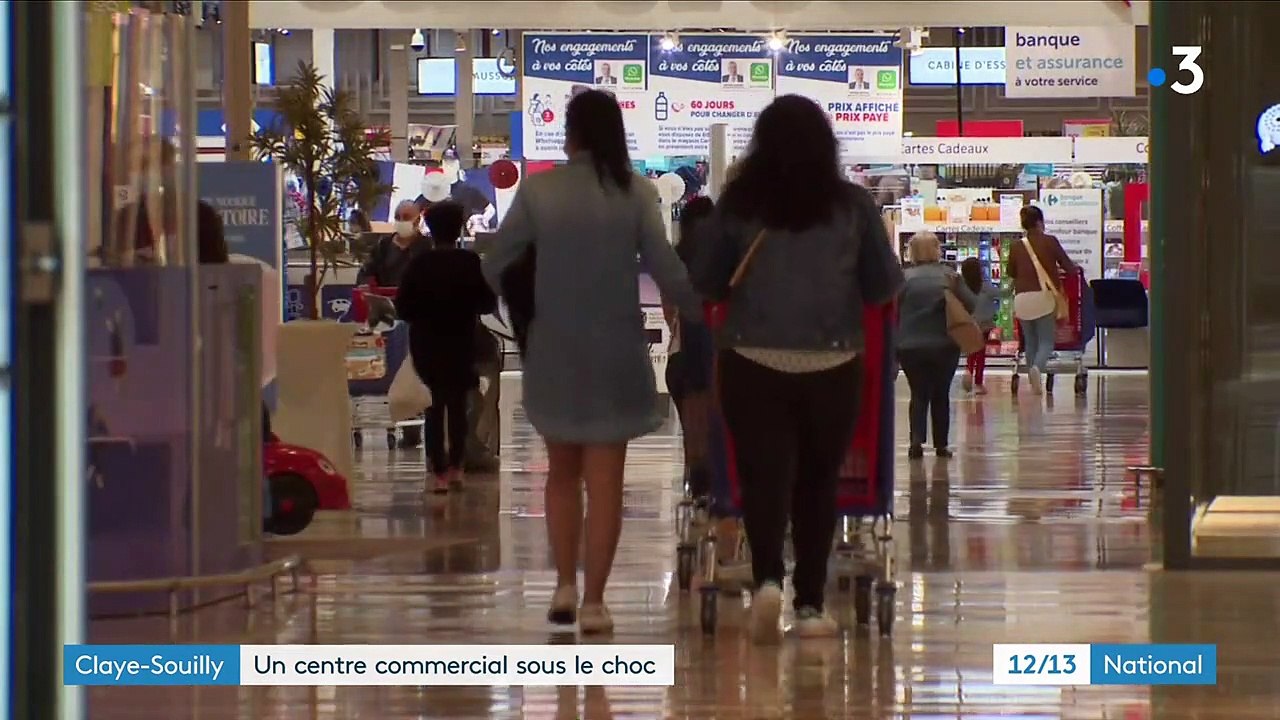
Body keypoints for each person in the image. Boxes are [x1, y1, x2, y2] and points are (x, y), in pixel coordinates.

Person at [482, 90, 702, 635]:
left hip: (554, 348)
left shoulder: (539, 192)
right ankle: (596, 601)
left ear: (570, 134)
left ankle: (562, 585)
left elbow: (496, 262)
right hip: (615, 351)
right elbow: (666, 266)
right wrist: (706, 310)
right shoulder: (636, 193)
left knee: (561, 473)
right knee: (606, 480)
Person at [691, 94, 903, 642]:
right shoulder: (854, 206)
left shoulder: (738, 205)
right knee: (818, 481)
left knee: (764, 477)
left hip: (751, 359)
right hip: (833, 362)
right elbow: (882, 286)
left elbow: (708, 282)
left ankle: (766, 583)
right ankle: (810, 606)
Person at [394, 201, 497, 494]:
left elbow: (404, 308)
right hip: (462, 341)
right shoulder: (470, 262)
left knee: (434, 406)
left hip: (427, 343)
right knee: (457, 404)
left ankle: (437, 470)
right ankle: (457, 468)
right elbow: (487, 303)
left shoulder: (419, 264)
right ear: (459, 228)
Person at [897, 232, 976, 459]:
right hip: (945, 344)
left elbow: (891, 310)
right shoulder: (950, 277)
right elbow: (970, 305)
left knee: (918, 393)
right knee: (941, 393)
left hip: (910, 345)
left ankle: (915, 442)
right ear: (936, 250)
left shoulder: (904, 279)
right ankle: (941, 445)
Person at [359, 200, 430, 449]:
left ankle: (412, 424)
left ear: (418, 219)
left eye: (407, 216)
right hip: (385, 317)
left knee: (414, 374)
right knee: (387, 369)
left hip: (418, 319)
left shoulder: (426, 248)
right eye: (398, 215)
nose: (402, 220)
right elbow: (367, 273)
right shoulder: (383, 246)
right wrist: (368, 287)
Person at [1006, 205, 1075, 395]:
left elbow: (1011, 272)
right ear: (1039, 222)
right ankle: (1037, 368)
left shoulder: (1016, 246)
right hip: (1043, 297)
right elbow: (1069, 267)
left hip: (1021, 299)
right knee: (1046, 341)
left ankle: (1032, 380)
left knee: (1030, 342)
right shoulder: (1050, 241)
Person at [960, 257, 1001, 395]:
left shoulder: (962, 287)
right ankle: (978, 382)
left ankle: (968, 370)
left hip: (967, 322)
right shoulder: (986, 287)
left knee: (971, 350)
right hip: (984, 324)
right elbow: (1000, 294)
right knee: (981, 353)